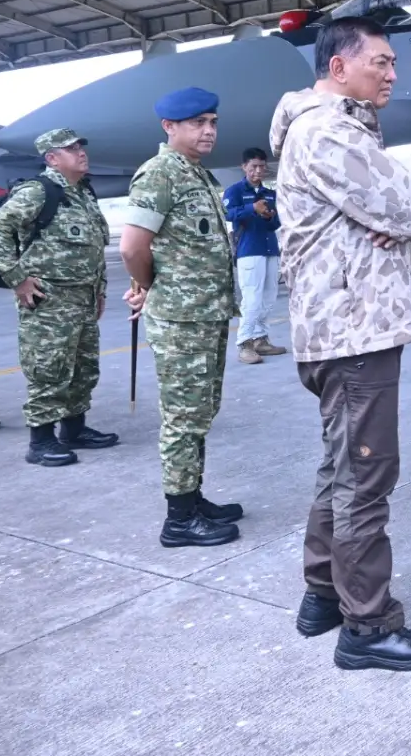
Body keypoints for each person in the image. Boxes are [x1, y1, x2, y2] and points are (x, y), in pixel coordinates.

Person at [272, 15, 411, 671]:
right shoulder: (329, 130)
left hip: (342, 327)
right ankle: (367, 625)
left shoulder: (324, 127)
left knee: (340, 468)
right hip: (354, 331)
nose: (392, 72)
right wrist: (405, 219)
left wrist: (394, 220)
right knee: (365, 477)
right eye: (381, 61)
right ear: (339, 67)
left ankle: (323, 594)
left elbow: (395, 210)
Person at [120, 87, 242, 549]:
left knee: (201, 412)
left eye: (212, 121)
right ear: (169, 127)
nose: (208, 130)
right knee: (183, 418)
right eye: (197, 123)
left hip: (206, 317)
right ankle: (178, 520)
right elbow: (132, 247)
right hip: (181, 321)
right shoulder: (159, 174)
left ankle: (192, 499)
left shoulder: (198, 174)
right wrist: (148, 286)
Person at [0, 128, 115, 466]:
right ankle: (40, 442)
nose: (81, 153)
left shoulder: (82, 192)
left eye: (81, 146)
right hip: (49, 300)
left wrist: (98, 290)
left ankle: (74, 430)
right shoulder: (38, 192)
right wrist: (17, 280)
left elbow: (93, 247)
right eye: (70, 149)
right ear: (52, 158)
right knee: (49, 369)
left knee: (83, 368)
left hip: (82, 298)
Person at [223, 146, 286, 364]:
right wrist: (252, 208)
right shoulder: (235, 191)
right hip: (249, 251)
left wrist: (269, 216)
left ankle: (260, 339)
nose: (258, 171)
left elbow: (277, 223)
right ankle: (244, 344)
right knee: (252, 299)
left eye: (261, 166)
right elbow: (228, 214)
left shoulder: (270, 194)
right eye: (253, 167)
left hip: (269, 248)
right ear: (244, 167)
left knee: (268, 297)